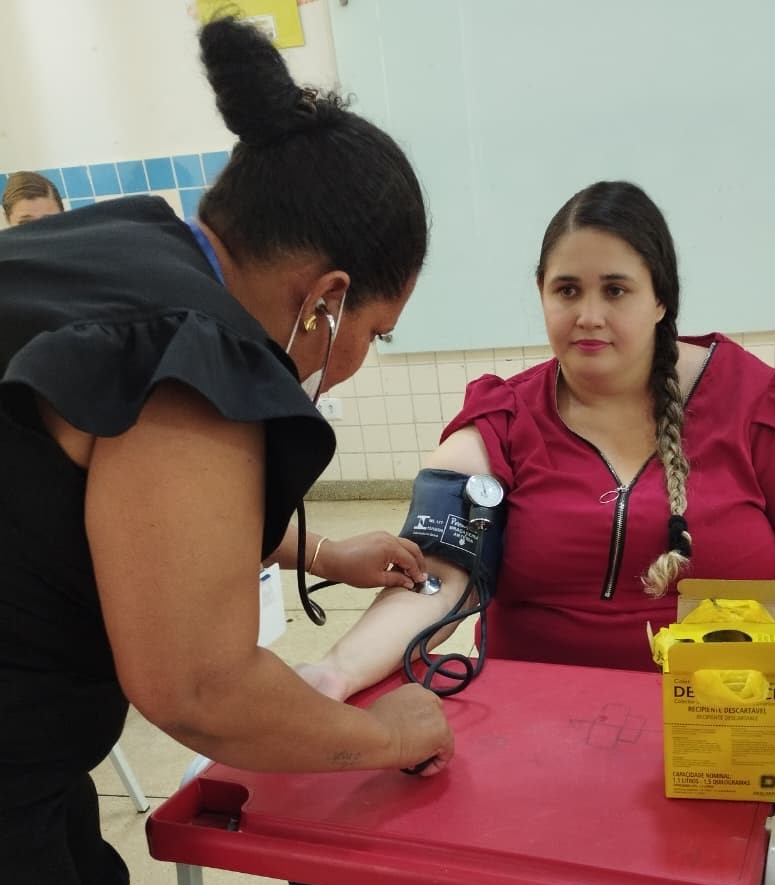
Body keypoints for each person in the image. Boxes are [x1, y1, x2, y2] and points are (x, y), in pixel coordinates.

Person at [0, 16, 453, 885]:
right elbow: (200, 687)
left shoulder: (122, 245)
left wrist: (321, 550)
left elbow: (125, 505)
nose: (355, 362)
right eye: (375, 333)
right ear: (325, 299)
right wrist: (392, 733)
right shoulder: (199, 352)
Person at [306, 179, 775, 707]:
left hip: (718, 713)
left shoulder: (764, 406)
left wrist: (706, 645)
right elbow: (438, 573)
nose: (588, 317)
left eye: (616, 290)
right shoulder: (501, 420)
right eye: (567, 290)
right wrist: (336, 671)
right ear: (542, 294)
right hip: (532, 727)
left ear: (661, 298)